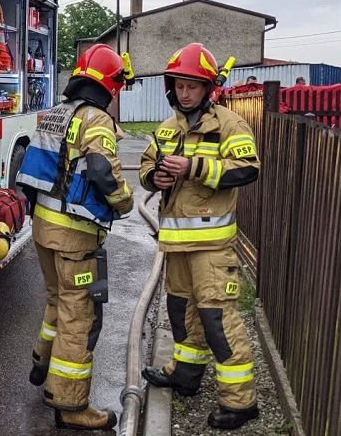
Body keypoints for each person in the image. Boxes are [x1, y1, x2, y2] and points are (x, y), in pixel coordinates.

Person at [139, 43, 262, 430]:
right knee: (182, 314)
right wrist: (154, 177)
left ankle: (240, 403)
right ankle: (186, 376)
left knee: (218, 320)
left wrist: (193, 167)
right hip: (176, 245)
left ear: (208, 88)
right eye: (179, 85)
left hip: (211, 247)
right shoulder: (167, 128)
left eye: (192, 86)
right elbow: (146, 165)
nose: (185, 93)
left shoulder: (229, 124)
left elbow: (247, 169)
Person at [16, 43, 134, 431]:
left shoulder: (55, 112)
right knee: (79, 314)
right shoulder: (96, 119)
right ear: (110, 86)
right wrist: (125, 202)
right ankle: (69, 404)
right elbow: (102, 171)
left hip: (43, 229)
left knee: (57, 299)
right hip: (75, 236)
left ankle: (42, 363)